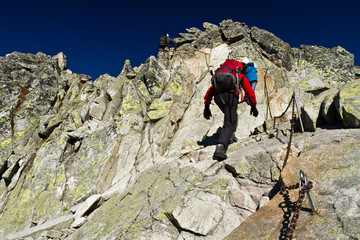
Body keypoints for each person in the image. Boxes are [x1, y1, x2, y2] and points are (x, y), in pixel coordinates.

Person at [203, 59, 259, 160]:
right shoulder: (238, 75)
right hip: (231, 96)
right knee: (229, 122)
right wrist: (253, 106)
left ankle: (230, 136)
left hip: (218, 97)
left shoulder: (221, 75)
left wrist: (206, 107)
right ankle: (220, 147)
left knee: (232, 116)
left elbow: (210, 91)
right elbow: (249, 92)